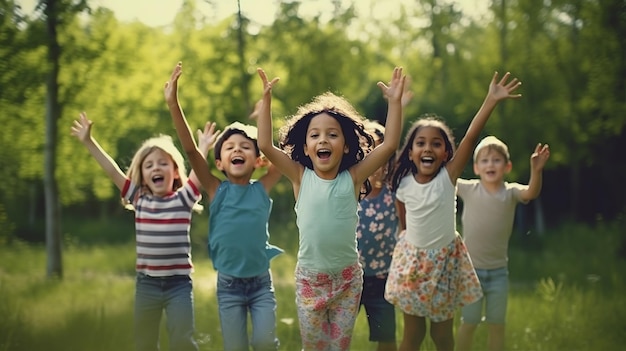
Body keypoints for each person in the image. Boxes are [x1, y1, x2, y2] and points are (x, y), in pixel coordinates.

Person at [255, 66, 406, 351]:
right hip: (311, 280)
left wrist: (395, 103)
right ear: (307, 146)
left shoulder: (352, 178)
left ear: (346, 147)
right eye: (315, 135)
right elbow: (265, 144)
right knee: (315, 347)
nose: (323, 140)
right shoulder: (300, 176)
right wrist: (266, 102)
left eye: (332, 135)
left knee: (338, 347)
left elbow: (389, 146)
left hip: (348, 280)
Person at [384, 71, 523, 351]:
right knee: (412, 335)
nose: (428, 148)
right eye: (420, 143)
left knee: (442, 336)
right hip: (412, 265)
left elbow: (471, 136)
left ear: (447, 153)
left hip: (445, 264)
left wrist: (491, 100)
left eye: (436, 143)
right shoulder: (404, 183)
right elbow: (402, 210)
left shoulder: (448, 178)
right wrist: (395, 104)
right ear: (410, 152)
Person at [164, 62, 283, 351]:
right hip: (229, 287)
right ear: (219, 163)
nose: (237, 150)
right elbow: (192, 151)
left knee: (265, 342)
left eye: (245, 146)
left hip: (260, 285)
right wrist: (173, 103)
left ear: (258, 160)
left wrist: (265, 107)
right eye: (230, 147)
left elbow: (279, 149)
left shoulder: (262, 187)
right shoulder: (216, 189)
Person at [71, 112, 211, 351]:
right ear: (143, 176)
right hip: (147, 286)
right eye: (149, 165)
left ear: (175, 171)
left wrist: (203, 149)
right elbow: (113, 171)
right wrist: (88, 141)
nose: (156, 167)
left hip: (179, 285)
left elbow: (198, 173)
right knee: (144, 343)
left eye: (163, 163)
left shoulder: (184, 198)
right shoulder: (139, 198)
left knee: (182, 341)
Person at [455, 136, 550, 351]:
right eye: (485, 160)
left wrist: (536, 170)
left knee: (497, 325)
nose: (490, 164)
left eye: (496, 160)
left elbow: (531, 192)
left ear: (507, 166)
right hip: (471, 273)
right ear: (476, 168)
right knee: (469, 323)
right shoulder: (469, 189)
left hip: (498, 273)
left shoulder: (511, 192)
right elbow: (448, 176)